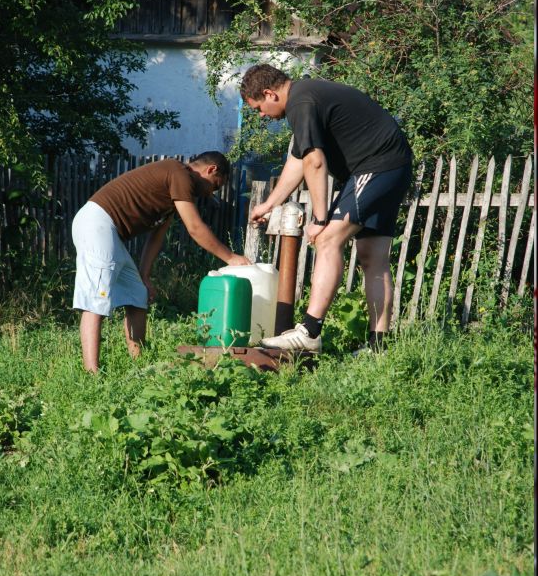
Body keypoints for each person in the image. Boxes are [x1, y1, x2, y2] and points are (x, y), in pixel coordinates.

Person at [241, 64, 413, 354]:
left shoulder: (301, 101)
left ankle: (309, 331)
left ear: (269, 93)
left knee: (327, 239)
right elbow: (298, 160)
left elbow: (315, 163)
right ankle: (379, 347)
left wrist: (320, 219)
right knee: (374, 257)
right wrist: (270, 204)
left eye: (258, 107)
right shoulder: (307, 97)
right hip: (391, 166)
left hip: (376, 165)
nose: (261, 116)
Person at [72, 151, 250, 372]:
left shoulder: (175, 187)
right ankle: (91, 373)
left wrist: (144, 276)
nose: (210, 192)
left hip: (110, 233)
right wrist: (231, 258)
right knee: (96, 298)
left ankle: (139, 365)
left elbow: (157, 236)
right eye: (215, 185)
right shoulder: (178, 173)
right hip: (97, 222)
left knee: (137, 293)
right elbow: (195, 228)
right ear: (211, 169)